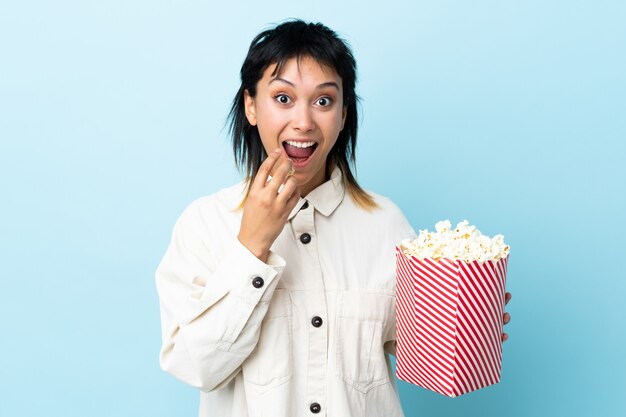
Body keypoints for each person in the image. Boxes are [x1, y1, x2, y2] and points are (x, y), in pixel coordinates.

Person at [155, 19, 512, 417]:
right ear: (251, 106)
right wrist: (252, 247)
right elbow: (194, 366)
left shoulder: (386, 224)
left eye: (324, 101)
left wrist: (469, 326)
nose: (304, 122)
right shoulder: (205, 224)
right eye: (283, 98)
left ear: (344, 115)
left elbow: (423, 355)